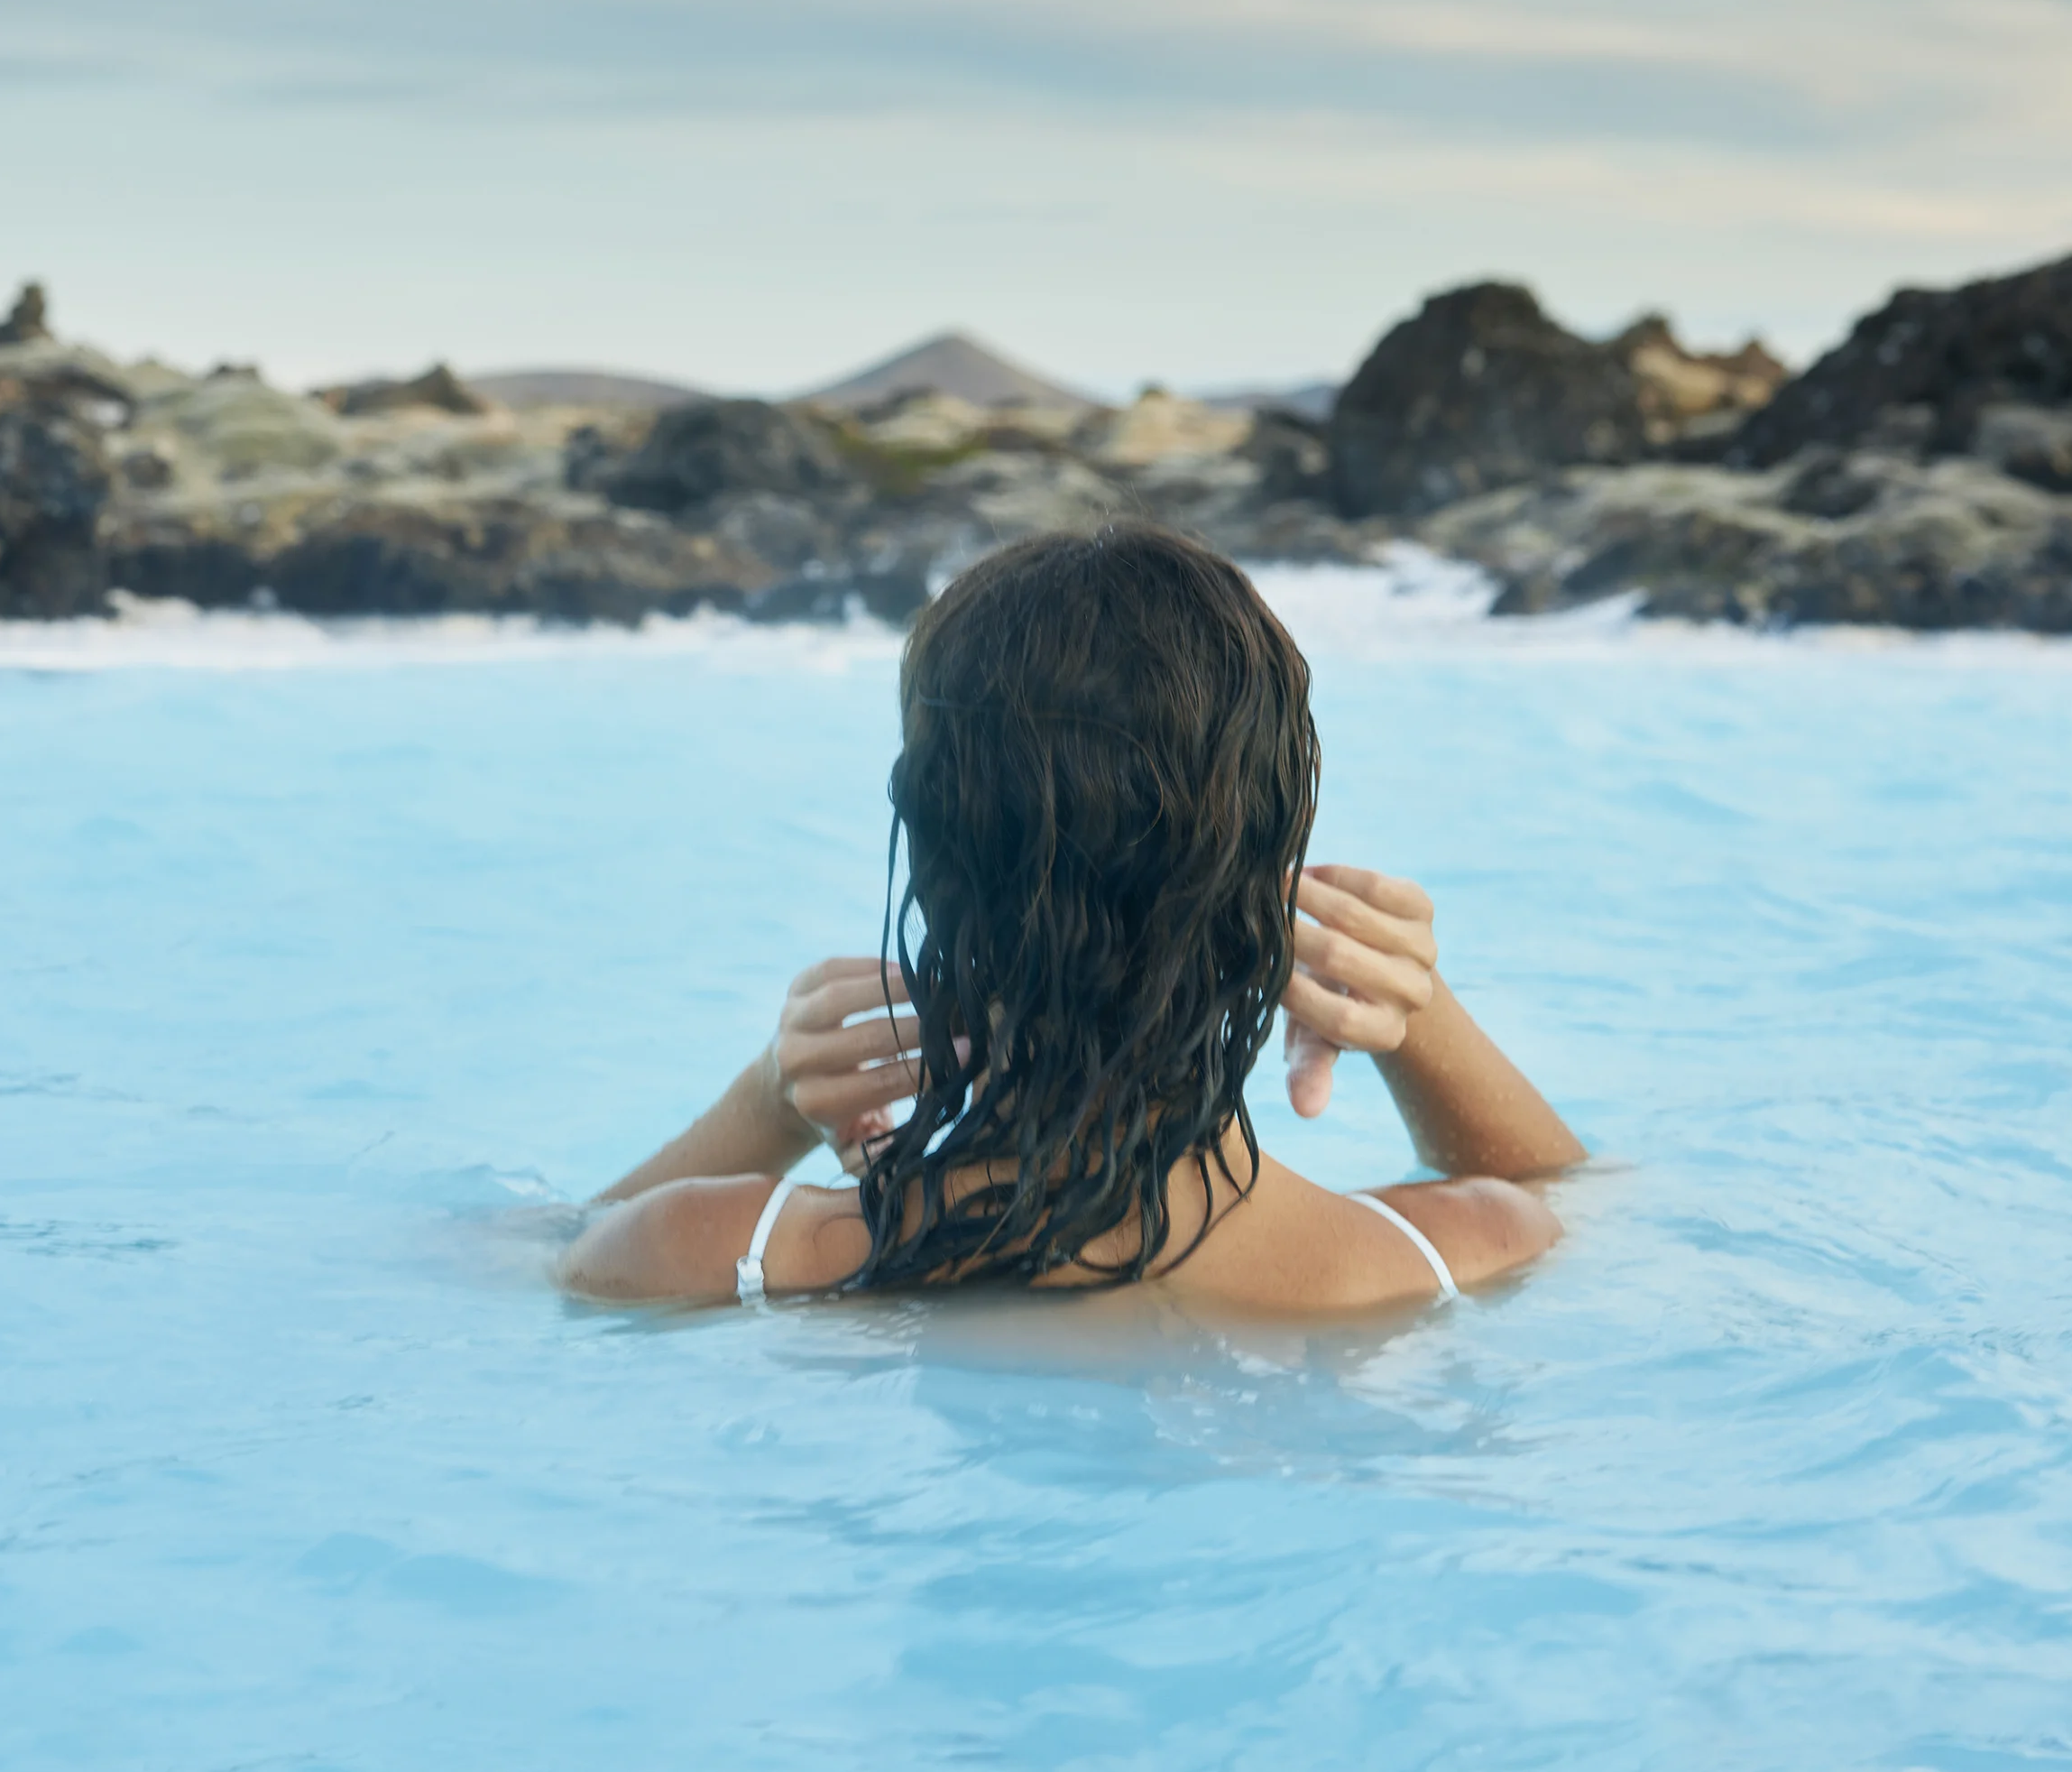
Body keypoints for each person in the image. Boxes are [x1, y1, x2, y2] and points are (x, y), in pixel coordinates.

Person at [561, 521, 1583, 1312]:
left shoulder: (712, 1253)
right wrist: (1417, 1011)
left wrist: (770, 1103)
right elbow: (1586, 1206)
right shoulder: (1458, 1250)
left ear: (937, 866)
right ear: (1270, 880)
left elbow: (518, 1254)